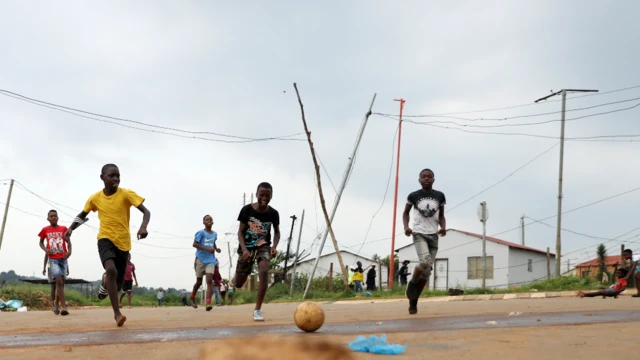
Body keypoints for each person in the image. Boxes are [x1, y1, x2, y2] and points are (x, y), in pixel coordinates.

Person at [65, 163, 151, 327]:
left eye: (118, 175)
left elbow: (146, 212)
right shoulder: (95, 198)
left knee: (117, 284)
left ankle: (105, 284)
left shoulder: (126, 194)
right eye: (112, 175)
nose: (116, 178)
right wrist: (71, 229)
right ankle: (117, 313)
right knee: (110, 270)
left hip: (123, 243)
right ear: (102, 178)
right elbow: (83, 215)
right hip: (105, 239)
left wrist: (143, 226)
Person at [232, 182, 280, 321]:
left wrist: (274, 246)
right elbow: (240, 232)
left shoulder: (273, 213)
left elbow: (277, 232)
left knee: (264, 270)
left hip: (263, 246)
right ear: (256, 194)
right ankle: (236, 279)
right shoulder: (246, 210)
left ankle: (257, 310)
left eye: (267, 195)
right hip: (246, 247)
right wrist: (245, 250)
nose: (264, 198)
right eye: (261, 195)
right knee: (239, 283)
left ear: (271, 196)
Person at [402, 168, 446, 315]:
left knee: (426, 272)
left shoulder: (439, 196)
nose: (426, 179)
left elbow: (441, 216)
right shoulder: (414, 196)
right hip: (419, 234)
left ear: (434, 179)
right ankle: (413, 282)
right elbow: (405, 213)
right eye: (423, 177)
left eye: (429, 176)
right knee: (425, 262)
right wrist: (406, 227)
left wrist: (443, 228)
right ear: (419, 179)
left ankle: (413, 301)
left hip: (433, 237)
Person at [39, 210, 71, 316]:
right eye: (51, 216)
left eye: (55, 216)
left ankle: (57, 303)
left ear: (58, 218)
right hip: (52, 260)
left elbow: (68, 243)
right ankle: (63, 307)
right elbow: (41, 243)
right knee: (58, 282)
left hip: (63, 260)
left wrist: (69, 252)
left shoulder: (63, 229)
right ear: (48, 218)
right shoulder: (45, 230)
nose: (53, 217)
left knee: (61, 284)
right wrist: (46, 250)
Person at [190, 215, 221, 311]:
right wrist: (207, 249)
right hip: (200, 259)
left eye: (211, 219)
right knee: (199, 282)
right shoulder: (201, 233)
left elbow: (213, 242)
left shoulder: (215, 234)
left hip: (211, 260)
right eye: (207, 220)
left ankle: (208, 303)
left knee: (209, 280)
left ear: (213, 222)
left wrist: (216, 248)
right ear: (203, 222)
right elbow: (194, 244)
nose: (209, 221)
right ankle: (192, 297)